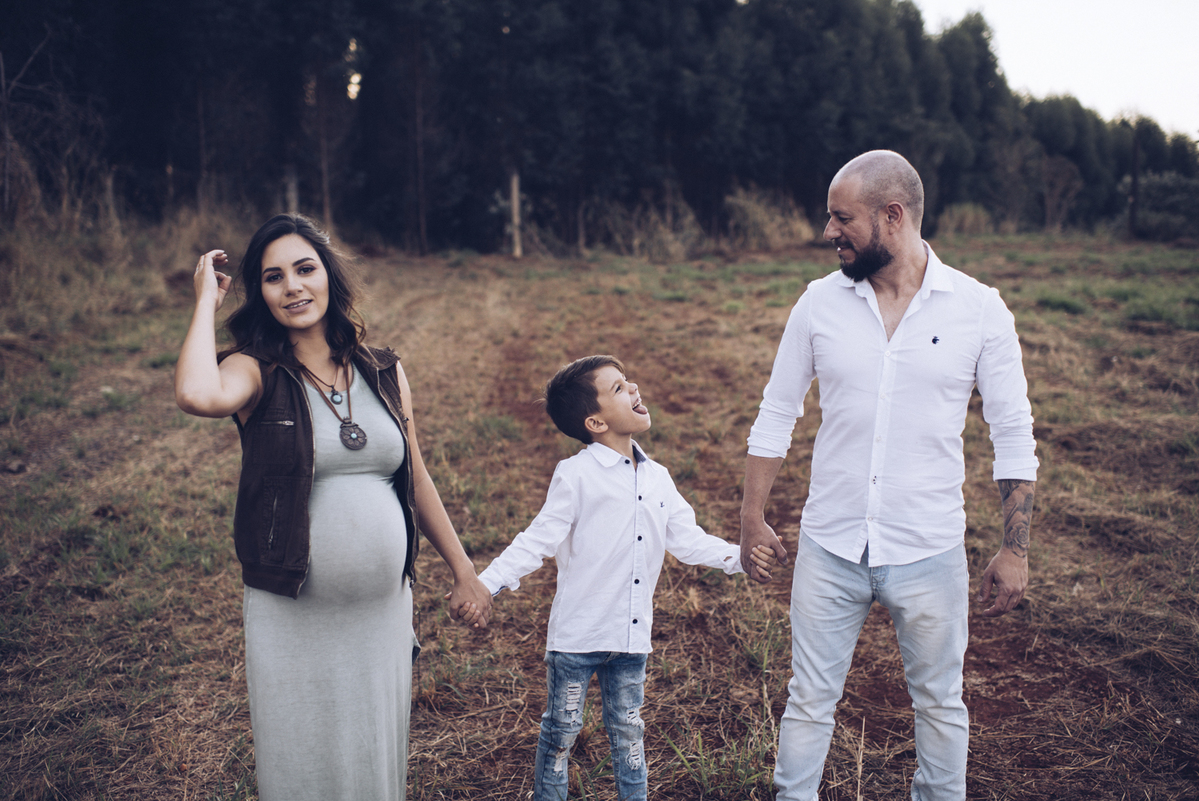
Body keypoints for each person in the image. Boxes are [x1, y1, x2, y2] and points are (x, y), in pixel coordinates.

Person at [740, 150, 1038, 801]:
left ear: (893, 216)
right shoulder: (819, 302)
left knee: (939, 706)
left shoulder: (980, 310)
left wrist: (1015, 548)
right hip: (830, 544)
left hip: (929, 549)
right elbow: (775, 412)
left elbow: (1012, 431)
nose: (828, 233)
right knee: (809, 701)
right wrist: (751, 515)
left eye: (841, 218)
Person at [174, 212, 492, 801]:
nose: (292, 286)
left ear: (329, 277)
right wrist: (204, 304)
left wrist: (463, 568)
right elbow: (197, 394)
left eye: (304, 269)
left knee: (374, 759)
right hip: (294, 612)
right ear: (260, 293)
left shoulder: (385, 371)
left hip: (381, 616)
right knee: (302, 762)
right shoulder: (256, 372)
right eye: (273, 277)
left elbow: (414, 475)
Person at [476, 355, 762, 801]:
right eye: (618, 388)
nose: (634, 389)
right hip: (576, 637)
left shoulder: (658, 477)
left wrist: (740, 557)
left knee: (629, 732)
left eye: (628, 381)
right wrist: (485, 584)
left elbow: (687, 540)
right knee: (561, 732)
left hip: (631, 639)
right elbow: (537, 541)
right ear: (595, 421)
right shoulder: (576, 475)